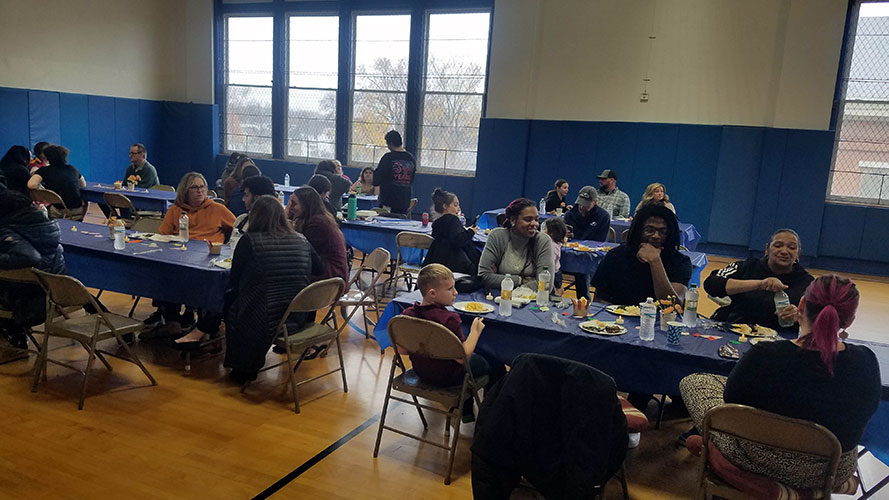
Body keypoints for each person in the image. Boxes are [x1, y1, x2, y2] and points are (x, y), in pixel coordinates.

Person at [679, 275, 881, 490]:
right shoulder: (866, 361)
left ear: (801, 305)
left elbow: (731, 399)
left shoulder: (765, 354)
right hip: (831, 471)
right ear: (850, 320)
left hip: (757, 461)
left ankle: (718, 451)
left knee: (695, 382)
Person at [179, 196, 324, 385]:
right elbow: (318, 269)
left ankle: (204, 332)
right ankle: (203, 331)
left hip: (261, 318)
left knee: (227, 299)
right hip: (296, 316)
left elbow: (235, 281)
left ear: (255, 217)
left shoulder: (250, 241)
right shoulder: (302, 240)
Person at [401, 263, 505, 420]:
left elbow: (401, 349)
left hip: (422, 372)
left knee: (477, 359)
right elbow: (462, 356)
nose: (455, 292)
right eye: (450, 289)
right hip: (448, 377)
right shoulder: (449, 319)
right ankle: (489, 418)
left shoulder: (407, 315)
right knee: (497, 365)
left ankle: (467, 412)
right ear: (432, 293)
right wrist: (475, 331)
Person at [146, 173, 236, 336]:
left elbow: (238, 228)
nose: (200, 191)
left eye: (202, 187)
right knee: (163, 273)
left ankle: (191, 315)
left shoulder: (218, 209)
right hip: (178, 257)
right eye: (194, 187)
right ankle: (171, 319)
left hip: (207, 259)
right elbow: (162, 236)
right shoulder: (175, 211)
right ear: (185, 191)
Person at [704, 229, 813, 331]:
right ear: (767, 249)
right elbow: (712, 284)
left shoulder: (807, 282)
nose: (784, 251)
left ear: (798, 253)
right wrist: (759, 284)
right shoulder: (747, 266)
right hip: (738, 330)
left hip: (781, 339)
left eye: (792, 248)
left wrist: (800, 316)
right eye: (778, 245)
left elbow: (819, 317)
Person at [0, 186, 66, 349]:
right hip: (53, 284)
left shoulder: (9, 228)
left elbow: (30, 257)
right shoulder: (41, 222)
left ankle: (13, 328)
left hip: (29, 293)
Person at [591, 204, 691, 305]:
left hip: (662, 319)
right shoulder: (615, 256)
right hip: (618, 318)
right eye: (649, 230)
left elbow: (673, 305)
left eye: (663, 232)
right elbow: (599, 300)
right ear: (638, 231)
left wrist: (655, 261)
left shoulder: (680, 262)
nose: (656, 236)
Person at [479, 198, 554, 290]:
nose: (534, 224)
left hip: (533, 301)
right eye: (528, 219)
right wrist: (520, 280)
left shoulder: (543, 241)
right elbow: (484, 276)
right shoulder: (498, 236)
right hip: (499, 297)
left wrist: (502, 280)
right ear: (513, 220)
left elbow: (546, 285)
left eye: (536, 219)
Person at [288, 186, 349, 283]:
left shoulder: (317, 224)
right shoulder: (319, 218)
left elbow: (301, 252)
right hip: (332, 273)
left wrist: (286, 215)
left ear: (306, 205)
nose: (290, 207)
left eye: (294, 203)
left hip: (331, 278)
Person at [563, 186, 612, 300]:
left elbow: (600, 242)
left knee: (583, 267)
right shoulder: (570, 214)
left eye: (586, 204)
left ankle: (587, 300)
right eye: (580, 203)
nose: (582, 207)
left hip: (591, 255)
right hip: (571, 253)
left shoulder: (603, 216)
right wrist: (564, 234)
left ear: (595, 202)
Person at [422, 188, 481, 276]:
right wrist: (470, 232)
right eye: (455, 205)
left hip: (438, 263)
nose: (459, 209)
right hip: (454, 265)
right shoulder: (452, 219)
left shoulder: (437, 223)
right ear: (445, 206)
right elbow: (458, 240)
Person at [28, 145, 86, 214]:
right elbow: (83, 185)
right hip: (77, 210)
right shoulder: (72, 169)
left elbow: (31, 185)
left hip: (57, 210)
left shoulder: (44, 171)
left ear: (47, 158)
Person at [373, 130, 416, 215]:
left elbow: (376, 180)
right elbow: (412, 179)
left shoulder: (387, 158)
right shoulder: (411, 158)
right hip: (405, 201)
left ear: (391, 143)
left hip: (389, 201)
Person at [543, 218, 567, 296]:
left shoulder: (551, 246)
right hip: (555, 273)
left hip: (553, 274)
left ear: (552, 233)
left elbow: (549, 263)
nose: (543, 231)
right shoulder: (555, 244)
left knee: (554, 294)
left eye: (545, 229)